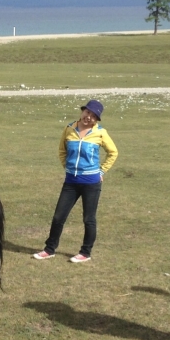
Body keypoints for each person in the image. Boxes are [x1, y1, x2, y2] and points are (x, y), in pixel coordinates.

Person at [33, 100, 118, 263]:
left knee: (89, 219)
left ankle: (85, 252)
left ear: (97, 119)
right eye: (88, 113)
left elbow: (113, 152)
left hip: (91, 183)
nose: (89, 117)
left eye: (93, 116)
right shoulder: (69, 129)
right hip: (71, 182)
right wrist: (68, 167)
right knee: (59, 217)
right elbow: (62, 150)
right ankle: (49, 249)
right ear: (83, 111)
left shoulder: (100, 133)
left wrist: (101, 171)